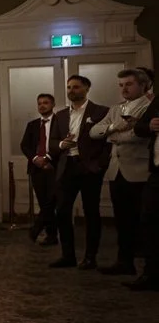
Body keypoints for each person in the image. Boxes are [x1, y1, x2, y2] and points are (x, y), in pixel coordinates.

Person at [89, 68, 151, 275]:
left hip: (140, 171)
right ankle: (124, 262)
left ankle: (148, 270)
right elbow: (94, 131)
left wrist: (113, 136)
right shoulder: (116, 109)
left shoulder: (149, 107)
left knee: (144, 222)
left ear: (143, 85)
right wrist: (115, 127)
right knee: (122, 220)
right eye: (121, 85)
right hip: (117, 171)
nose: (124, 89)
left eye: (129, 84)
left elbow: (139, 135)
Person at [48, 75, 110, 269]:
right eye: (68, 87)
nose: (71, 91)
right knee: (62, 211)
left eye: (76, 87)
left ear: (86, 88)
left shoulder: (100, 112)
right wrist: (60, 144)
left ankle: (90, 257)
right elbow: (51, 141)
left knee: (91, 212)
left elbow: (107, 141)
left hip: (89, 167)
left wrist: (99, 164)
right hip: (67, 166)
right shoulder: (60, 115)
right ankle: (68, 256)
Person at [20, 93, 59, 246]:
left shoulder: (60, 122)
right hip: (36, 168)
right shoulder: (32, 125)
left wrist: (48, 159)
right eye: (40, 103)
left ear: (53, 104)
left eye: (46, 103)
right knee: (44, 202)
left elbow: (62, 144)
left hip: (54, 167)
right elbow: (25, 146)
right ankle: (52, 236)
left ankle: (36, 229)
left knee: (51, 201)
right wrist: (36, 159)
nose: (42, 105)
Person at [129, 95, 159, 290]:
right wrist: (149, 126)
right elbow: (139, 128)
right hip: (156, 172)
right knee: (149, 221)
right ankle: (151, 274)